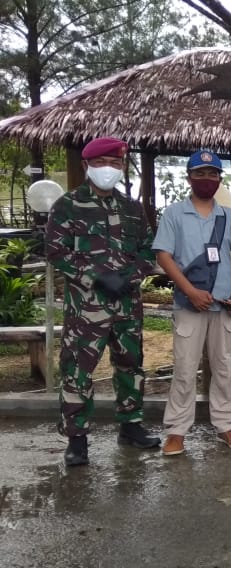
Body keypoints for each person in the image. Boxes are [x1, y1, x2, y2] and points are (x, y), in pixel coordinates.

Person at [45, 137, 160, 466]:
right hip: (87, 308)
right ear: (86, 166)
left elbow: (148, 248)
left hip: (126, 304)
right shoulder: (67, 205)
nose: (109, 169)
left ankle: (131, 426)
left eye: (115, 163)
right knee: (78, 371)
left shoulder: (132, 208)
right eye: (102, 163)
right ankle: (77, 439)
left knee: (131, 365)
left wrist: (131, 277)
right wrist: (94, 276)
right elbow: (55, 250)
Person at [152, 149, 231, 456]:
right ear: (189, 177)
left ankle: (226, 425)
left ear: (220, 179)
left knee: (223, 367)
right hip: (189, 303)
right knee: (184, 369)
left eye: (212, 174)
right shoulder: (174, 214)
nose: (206, 179)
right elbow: (163, 256)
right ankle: (177, 431)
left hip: (223, 304)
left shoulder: (229, 216)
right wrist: (189, 291)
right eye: (200, 173)